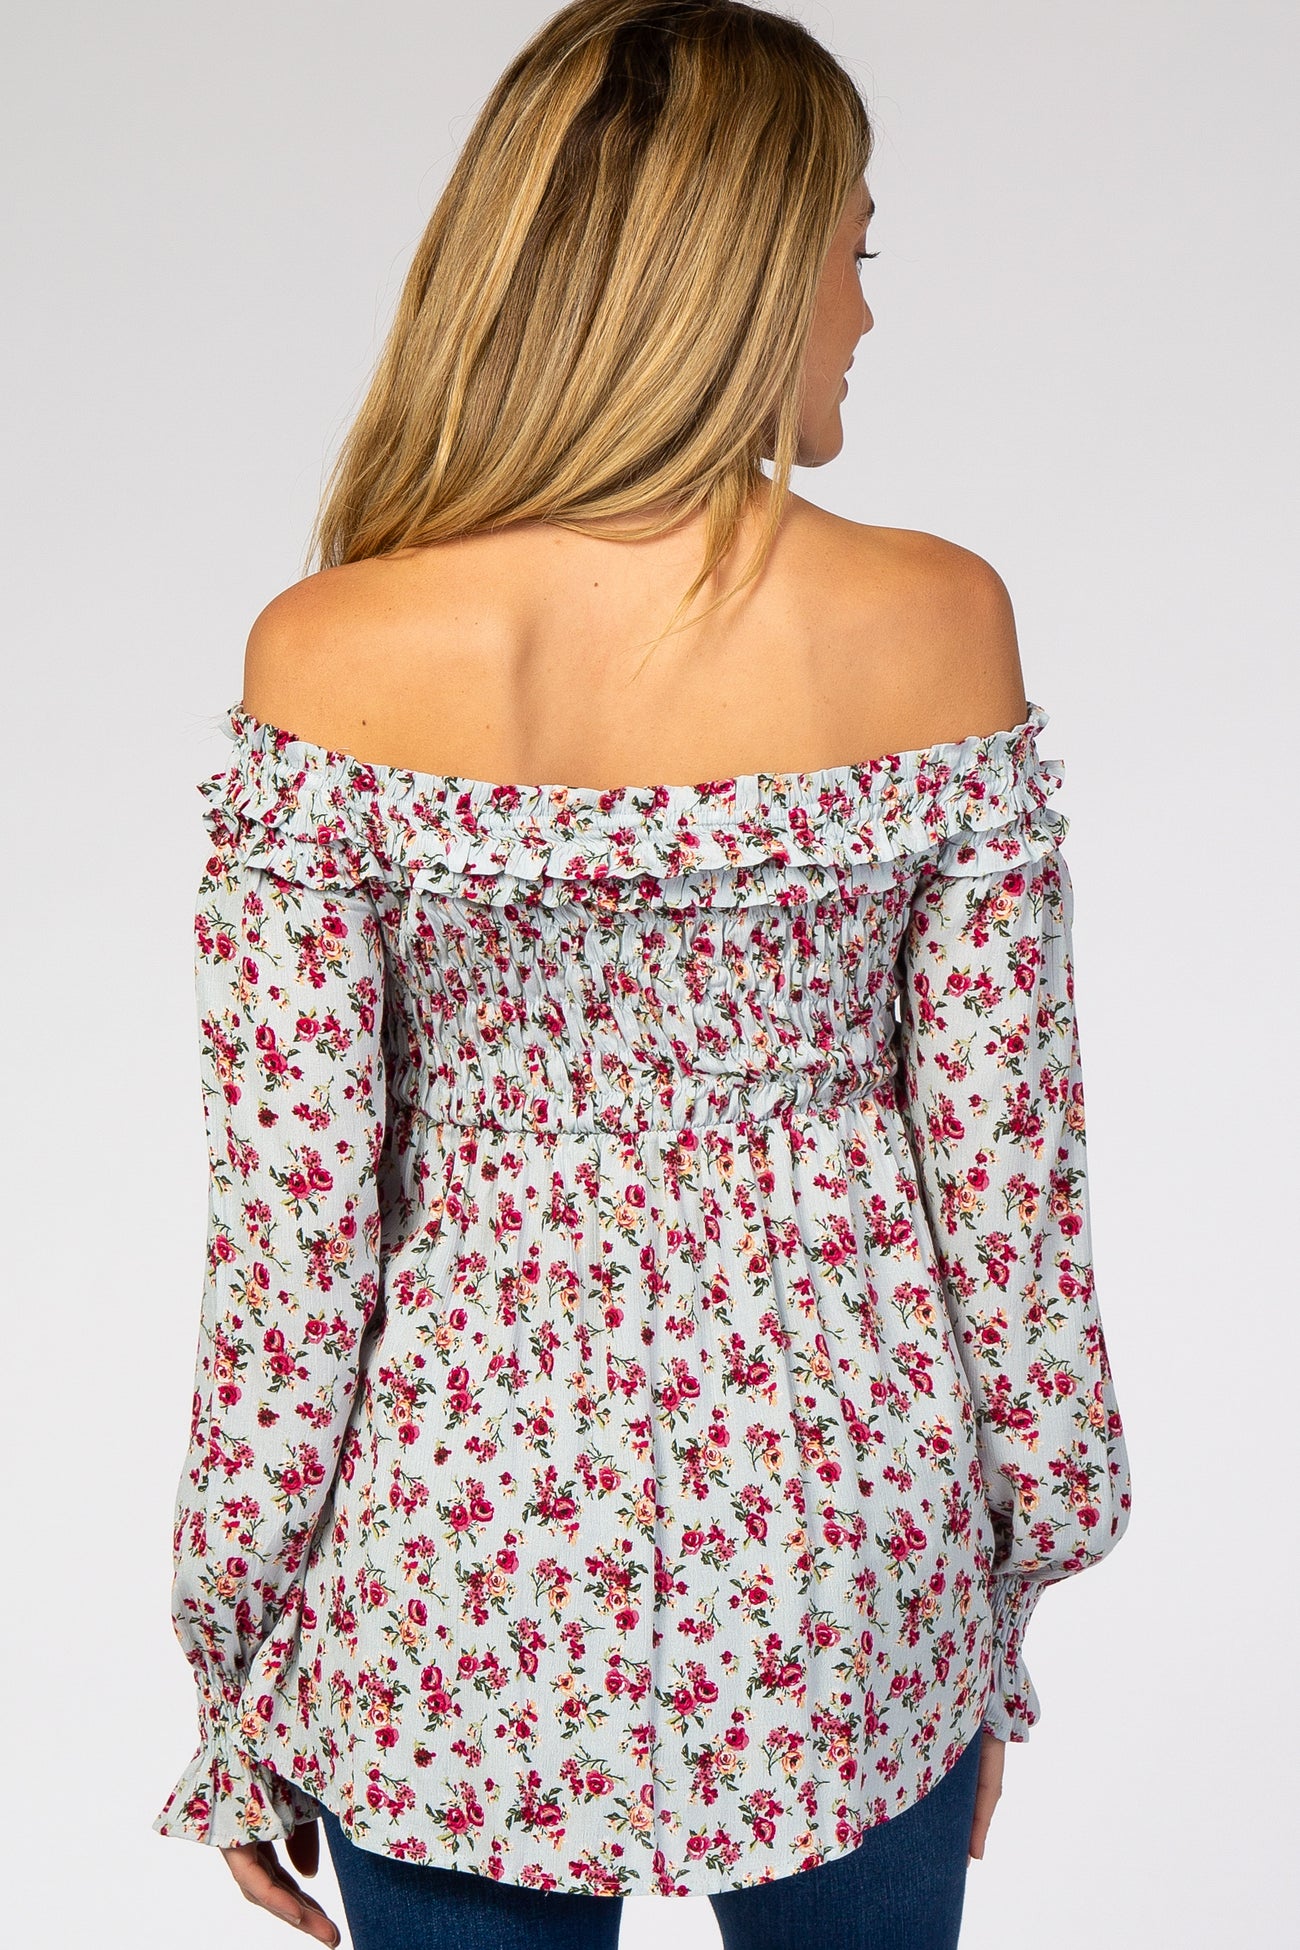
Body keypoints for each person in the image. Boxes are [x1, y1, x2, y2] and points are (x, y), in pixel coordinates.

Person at [152, 3, 1133, 1946]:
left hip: (452, 1575)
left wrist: (235, 1665)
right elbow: (1009, 1201)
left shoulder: (329, 653)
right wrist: (1004, 1599)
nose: (864, 310)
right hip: (849, 1567)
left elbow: (290, 1253)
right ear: (741, 265)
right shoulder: (936, 620)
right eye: (853, 247)